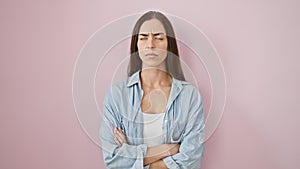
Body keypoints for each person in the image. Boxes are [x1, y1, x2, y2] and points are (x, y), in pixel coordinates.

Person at [100, 11, 204, 169]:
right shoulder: (116, 96)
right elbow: (113, 159)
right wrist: (168, 150)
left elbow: (191, 160)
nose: (150, 44)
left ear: (169, 44)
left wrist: (132, 155)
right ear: (136, 44)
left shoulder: (190, 97)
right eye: (143, 38)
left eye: (159, 37)